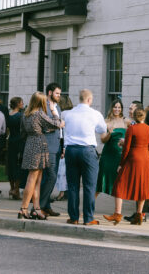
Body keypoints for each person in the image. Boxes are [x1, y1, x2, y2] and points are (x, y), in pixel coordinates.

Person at [62, 88, 107, 225]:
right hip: (87, 150)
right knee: (89, 186)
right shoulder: (95, 114)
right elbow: (102, 130)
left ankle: (74, 217)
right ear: (89, 100)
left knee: (73, 185)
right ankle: (88, 218)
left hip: (71, 150)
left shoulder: (68, 114)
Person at [19, 91, 63, 220]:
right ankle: (24, 208)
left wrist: (42, 129)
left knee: (37, 179)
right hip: (39, 144)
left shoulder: (25, 114)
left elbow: (23, 132)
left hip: (30, 143)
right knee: (32, 179)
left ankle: (37, 209)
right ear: (40, 102)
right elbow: (57, 123)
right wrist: (54, 112)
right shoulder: (39, 113)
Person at [106, 106, 149, 225]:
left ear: (134, 116)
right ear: (144, 117)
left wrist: (121, 164)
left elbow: (126, 149)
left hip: (133, 158)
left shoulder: (132, 129)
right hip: (145, 159)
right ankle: (139, 215)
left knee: (119, 184)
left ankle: (117, 214)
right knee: (142, 186)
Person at [38, 82, 63, 217]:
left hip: (57, 145)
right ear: (49, 93)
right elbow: (44, 127)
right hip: (47, 146)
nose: (59, 96)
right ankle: (40, 206)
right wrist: (57, 126)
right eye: (57, 93)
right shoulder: (44, 106)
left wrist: (62, 145)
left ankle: (46, 206)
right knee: (51, 177)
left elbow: (59, 127)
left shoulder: (56, 106)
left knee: (50, 177)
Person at [96, 99, 126, 198]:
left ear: (121, 109)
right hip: (108, 156)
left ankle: (117, 211)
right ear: (111, 108)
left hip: (120, 156)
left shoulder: (126, 122)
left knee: (119, 183)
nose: (117, 109)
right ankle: (88, 209)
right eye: (115, 107)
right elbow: (103, 140)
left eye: (119, 107)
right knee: (100, 183)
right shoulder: (106, 121)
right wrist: (109, 133)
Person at [55, 94, 74, 200]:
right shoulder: (73, 113)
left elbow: (62, 132)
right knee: (69, 171)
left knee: (61, 171)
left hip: (64, 144)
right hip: (73, 144)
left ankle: (62, 192)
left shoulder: (61, 114)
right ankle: (67, 191)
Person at [6, 96, 25, 199]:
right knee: (18, 164)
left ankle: (11, 187)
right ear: (18, 104)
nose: (22, 104)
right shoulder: (20, 116)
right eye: (21, 102)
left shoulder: (8, 115)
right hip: (19, 140)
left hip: (11, 140)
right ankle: (16, 190)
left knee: (11, 164)